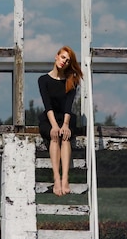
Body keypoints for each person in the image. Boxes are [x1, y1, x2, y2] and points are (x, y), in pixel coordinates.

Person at [38, 45, 83, 196]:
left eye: (68, 60)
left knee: (65, 137)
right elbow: (47, 104)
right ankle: (56, 179)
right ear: (56, 56)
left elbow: (68, 106)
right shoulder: (43, 80)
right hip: (49, 118)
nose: (64, 62)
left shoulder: (72, 81)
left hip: (66, 118)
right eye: (63, 57)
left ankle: (65, 179)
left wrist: (65, 125)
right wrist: (54, 126)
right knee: (54, 136)